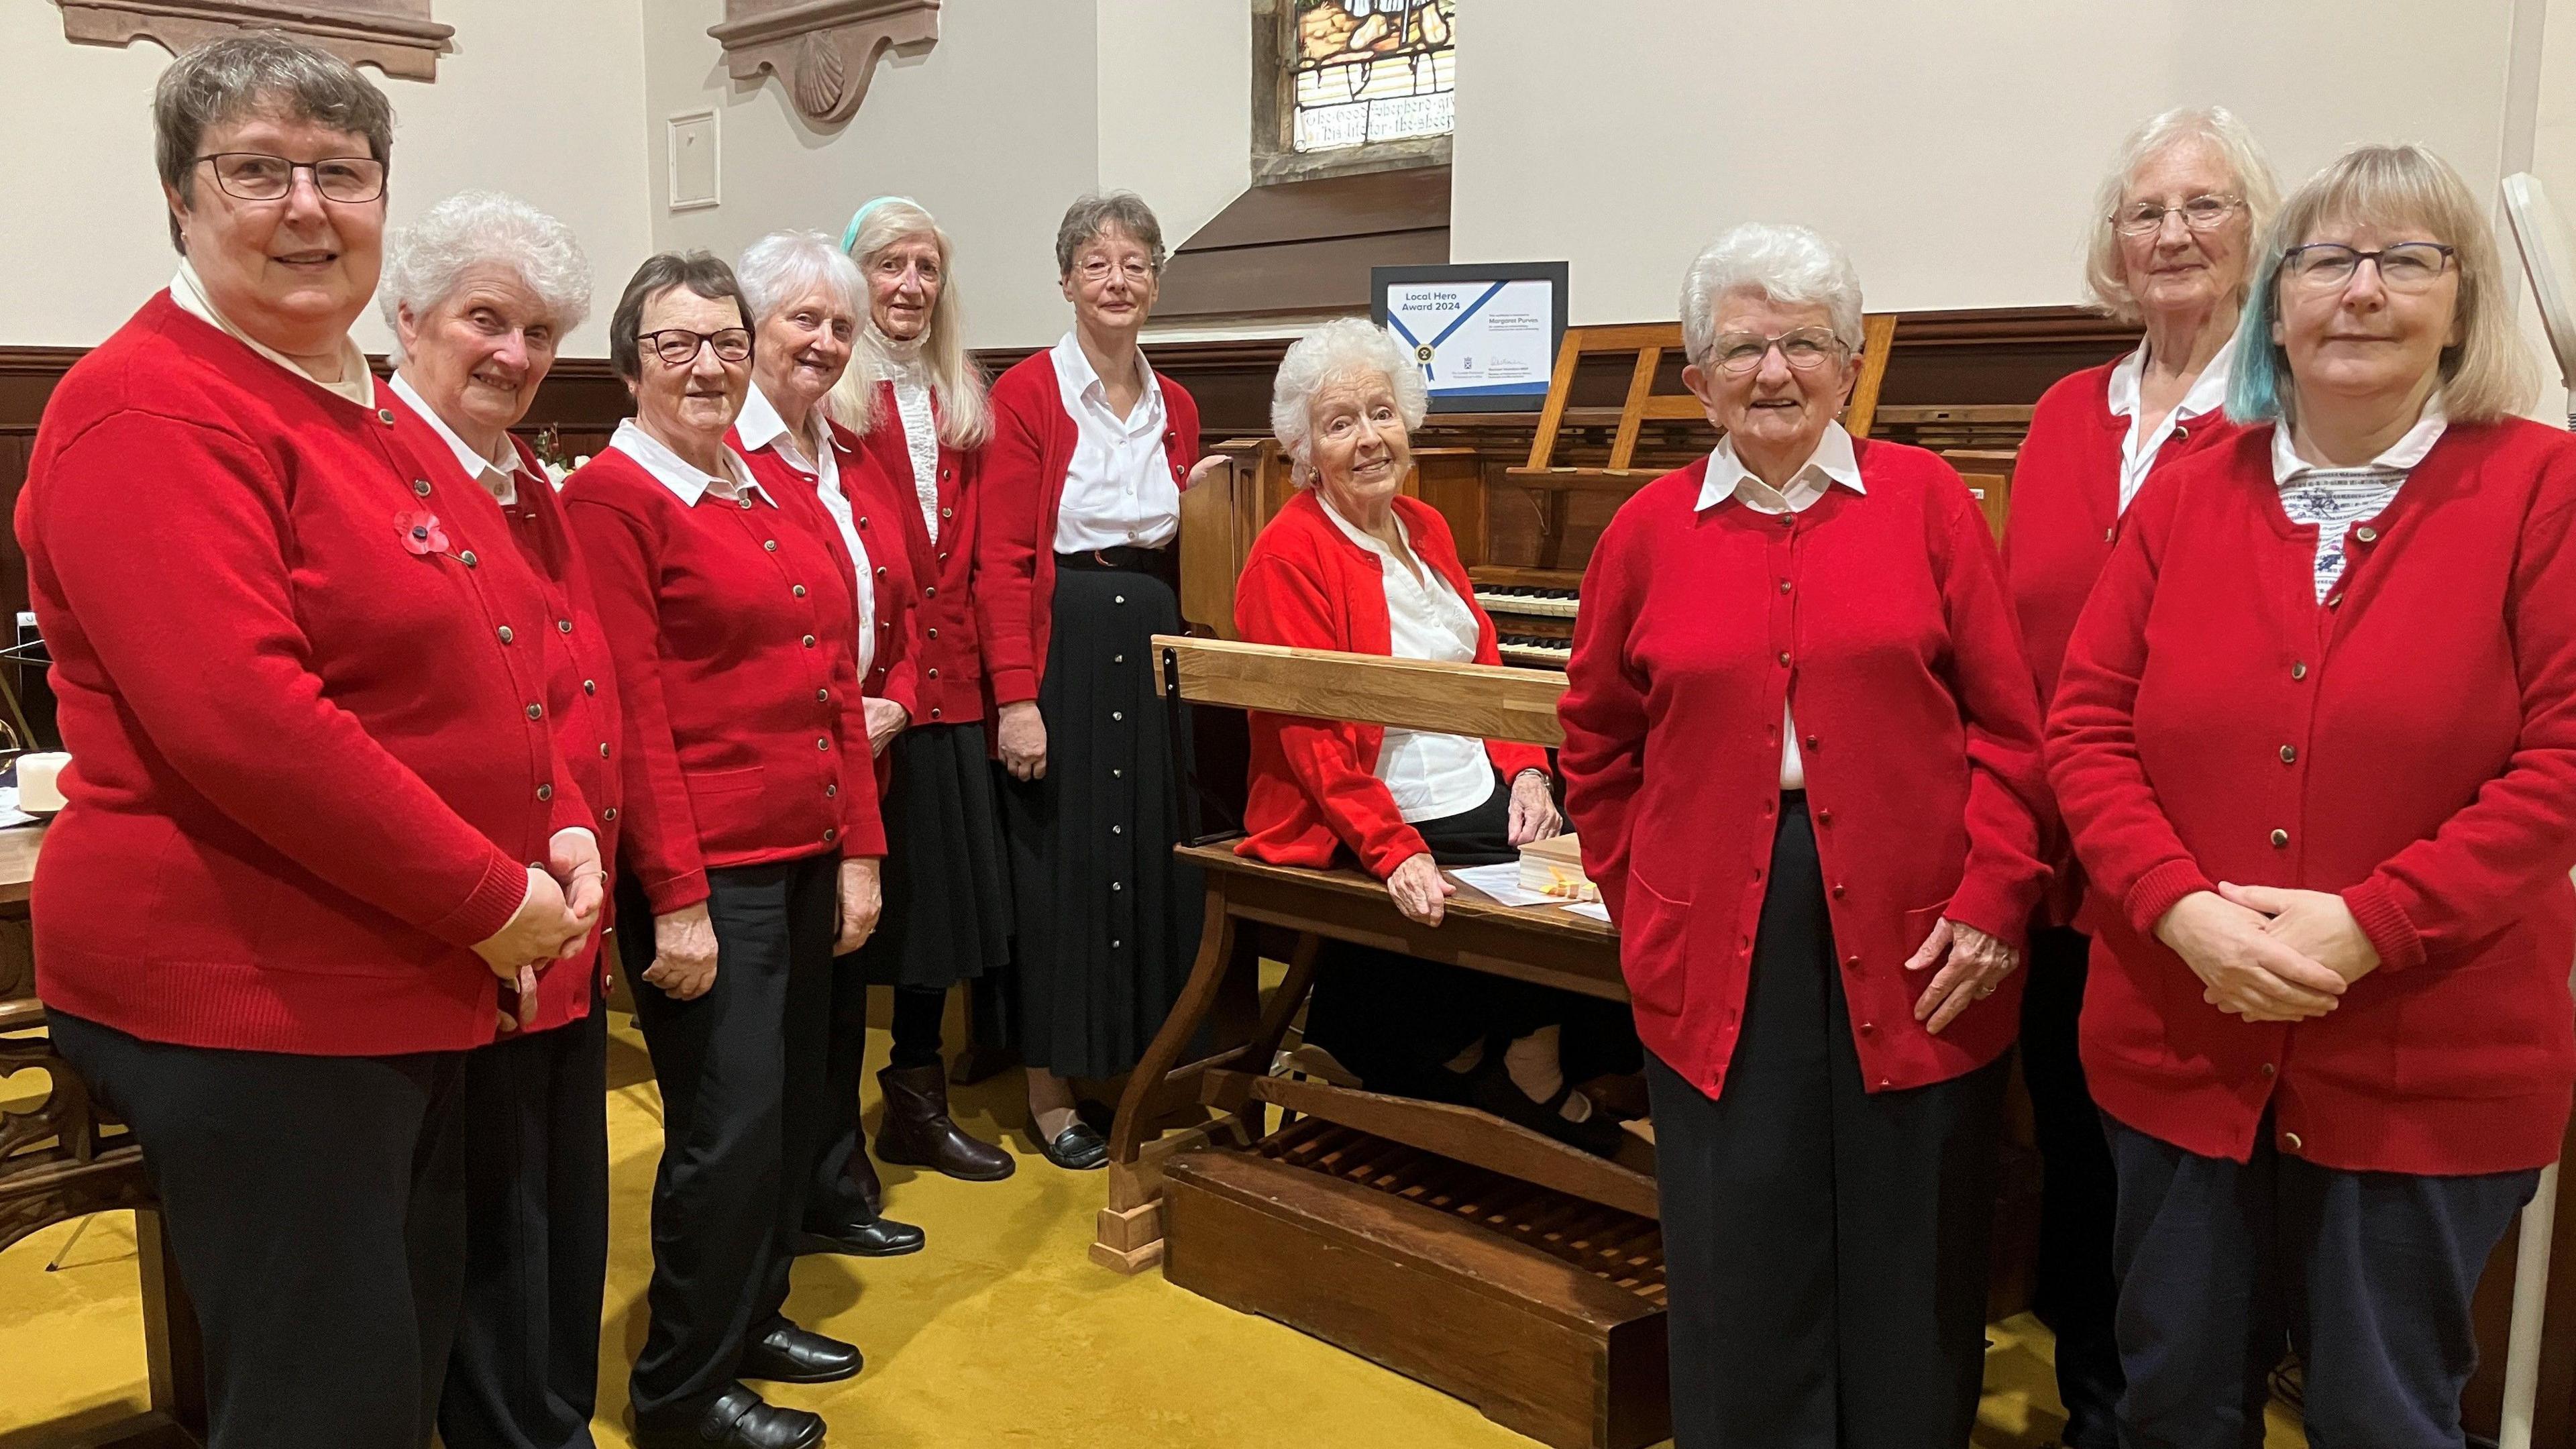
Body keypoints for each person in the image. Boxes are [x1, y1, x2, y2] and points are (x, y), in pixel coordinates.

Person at [17, 34, 596, 1447]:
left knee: (397, 1373)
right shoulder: (149, 404)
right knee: (325, 1405)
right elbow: (246, 723)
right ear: (178, 196)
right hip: (259, 991)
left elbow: (507, 635)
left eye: (341, 173)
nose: (305, 207)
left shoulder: (358, 404)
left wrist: (558, 819)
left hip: (399, 975)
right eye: (256, 170)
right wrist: (489, 897)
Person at [2048, 142, 2576, 1448]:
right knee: (2173, 1401)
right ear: (2276, 301)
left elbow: (2563, 762)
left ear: (2462, 304)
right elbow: (2088, 728)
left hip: (2428, 1054)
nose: (2361, 291)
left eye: (2408, 261)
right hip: (2182, 1032)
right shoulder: (2185, 493)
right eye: (2328, 261)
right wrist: (2181, 912)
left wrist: (2369, 925)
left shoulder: (2539, 490)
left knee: (2384, 1413)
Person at [1557, 222, 2051, 1448]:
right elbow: (1596, 744)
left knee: (1912, 1235)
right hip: (1718, 917)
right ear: (1695, 378)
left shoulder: (1931, 504)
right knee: (1741, 1235)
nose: (1773, 372)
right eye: (1741, 349)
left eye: (1803, 345)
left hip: (1923, 926)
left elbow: (2011, 728)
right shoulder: (1646, 532)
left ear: (1850, 366)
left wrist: (1995, 895)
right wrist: (1644, 895)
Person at [564, 252, 885, 1449]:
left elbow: (833, 676)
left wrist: (859, 847)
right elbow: (631, 714)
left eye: (724, 342)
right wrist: (678, 901)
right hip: (713, 875)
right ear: (632, 363)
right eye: (675, 344)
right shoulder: (613, 498)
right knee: (728, 1132)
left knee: (794, 1110)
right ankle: (682, 1392)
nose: (707, 365)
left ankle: (754, 1321)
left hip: (804, 850)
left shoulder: (756, 476)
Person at [1998, 104, 2277, 1449]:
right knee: (2074, 1157)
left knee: (2188, 1194)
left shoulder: (2284, 419)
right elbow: (2015, 634)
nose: (2172, 234)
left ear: (2257, 233)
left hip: (2194, 875)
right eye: (2146, 211)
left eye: (2205, 206)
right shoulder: (2065, 414)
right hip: (2056, 868)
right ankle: (2094, 1411)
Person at [1233, 318, 1625, 1156]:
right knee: (1541, 889)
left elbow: (1483, 661)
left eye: (1382, 412)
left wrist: (1526, 771)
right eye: (1340, 424)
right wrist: (1393, 849)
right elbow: (1311, 737)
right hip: (1357, 805)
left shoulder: (1425, 527)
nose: (1369, 438)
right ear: (1304, 449)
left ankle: (1501, 1051)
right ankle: (1507, 1062)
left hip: (1469, 781)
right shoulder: (1287, 555)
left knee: (1599, 854)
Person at [379, 189, 622, 1449]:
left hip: (554, 909)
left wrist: (577, 835)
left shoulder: (525, 481)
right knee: (472, 1247)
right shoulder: (371, 458)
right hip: (452, 927)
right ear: (407, 312)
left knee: (552, 1227)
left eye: (539, 332)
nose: (515, 356)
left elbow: (559, 692)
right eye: (487, 319)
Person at [979, 192, 1224, 1169]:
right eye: (1097, 264)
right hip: (1064, 642)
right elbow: (1000, 558)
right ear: (1066, 282)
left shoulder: (1181, 404)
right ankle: (1048, 1085)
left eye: (1135, 264)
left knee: (1149, 863)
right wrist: (1016, 698)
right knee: (1065, 868)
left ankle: (1135, 1062)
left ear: (1156, 282)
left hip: (1153, 632)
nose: (1117, 281)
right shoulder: (1030, 396)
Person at [727, 229, 934, 1258]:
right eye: (802, 320)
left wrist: (897, 695)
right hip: (779, 769)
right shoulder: (728, 454)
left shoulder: (851, 454)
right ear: (752, 327)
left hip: (868, 756)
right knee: (775, 1020)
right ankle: (766, 1227)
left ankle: (827, 1181)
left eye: (839, 327)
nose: (822, 343)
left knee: (844, 989)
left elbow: (905, 599)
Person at [825, 196, 1016, 1182]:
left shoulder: (960, 402)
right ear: (854, 274)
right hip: (863, 690)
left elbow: (979, 555)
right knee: (858, 916)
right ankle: (827, 1135)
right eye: (890, 265)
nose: (908, 286)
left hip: (949, 686)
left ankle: (914, 1101)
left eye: (926, 269)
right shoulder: (825, 395)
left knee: (935, 911)